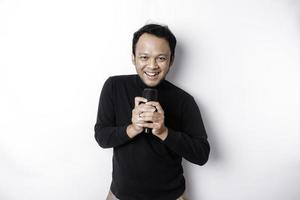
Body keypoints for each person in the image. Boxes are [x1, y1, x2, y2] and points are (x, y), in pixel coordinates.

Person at [94, 23, 210, 200]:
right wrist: (133, 128)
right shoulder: (114, 86)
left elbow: (202, 155)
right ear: (133, 58)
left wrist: (164, 132)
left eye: (161, 58)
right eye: (144, 57)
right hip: (121, 195)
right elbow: (101, 137)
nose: (152, 65)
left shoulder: (184, 100)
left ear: (171, 60)